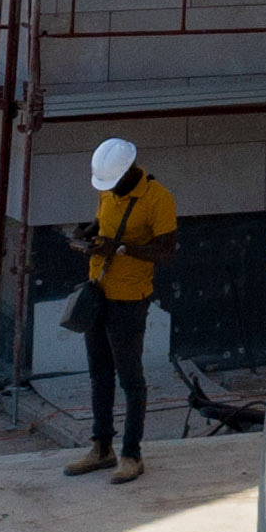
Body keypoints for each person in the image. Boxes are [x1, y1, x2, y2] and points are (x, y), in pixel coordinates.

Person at [66, 135, 175, 483]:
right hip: (99, 292)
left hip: (129, 299)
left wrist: (122, 249)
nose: (109, 188)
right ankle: (101, 448)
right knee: (99, 373)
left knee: (131, 379)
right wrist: (87, 233)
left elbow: (167, 252)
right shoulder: (108, 191)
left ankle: (131, 454)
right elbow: (104, 223)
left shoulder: (158, 199)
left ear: (130, 171)